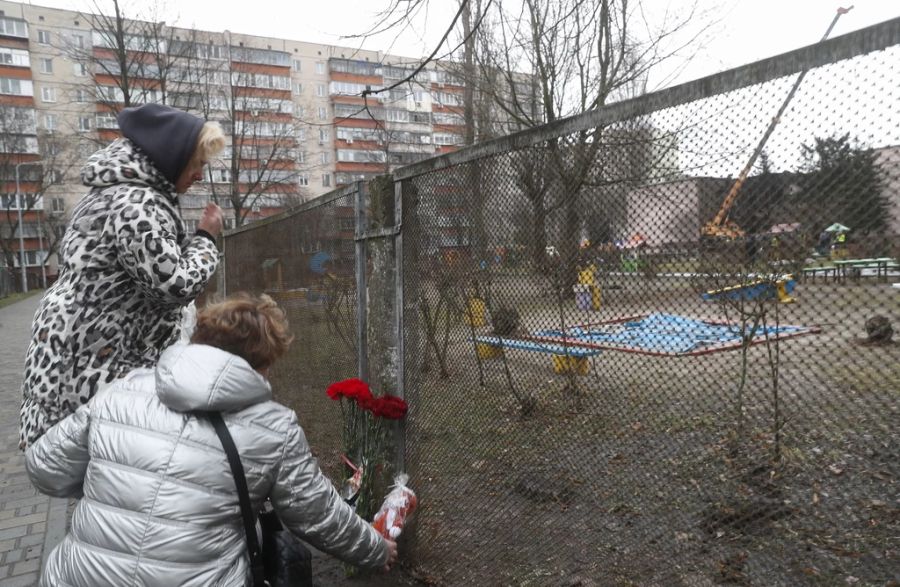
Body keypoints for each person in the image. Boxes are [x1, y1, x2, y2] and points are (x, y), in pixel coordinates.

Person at [25, 293, 398, 586]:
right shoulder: (273, 427)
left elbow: (45, 469)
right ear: (263, 363)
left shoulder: (123, 391)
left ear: (199, 338)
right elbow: (317, 516)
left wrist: (115, 481)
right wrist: (375, 549)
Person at [19, 103, 227, 449]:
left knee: (110, 477)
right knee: (112, 471)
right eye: (199, 164)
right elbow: (174, 286)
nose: (201, 175)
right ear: (173, 156)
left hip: (86, 350)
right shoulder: (136, 205)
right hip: (97, 360)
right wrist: (205, 239)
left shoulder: (117, 194)